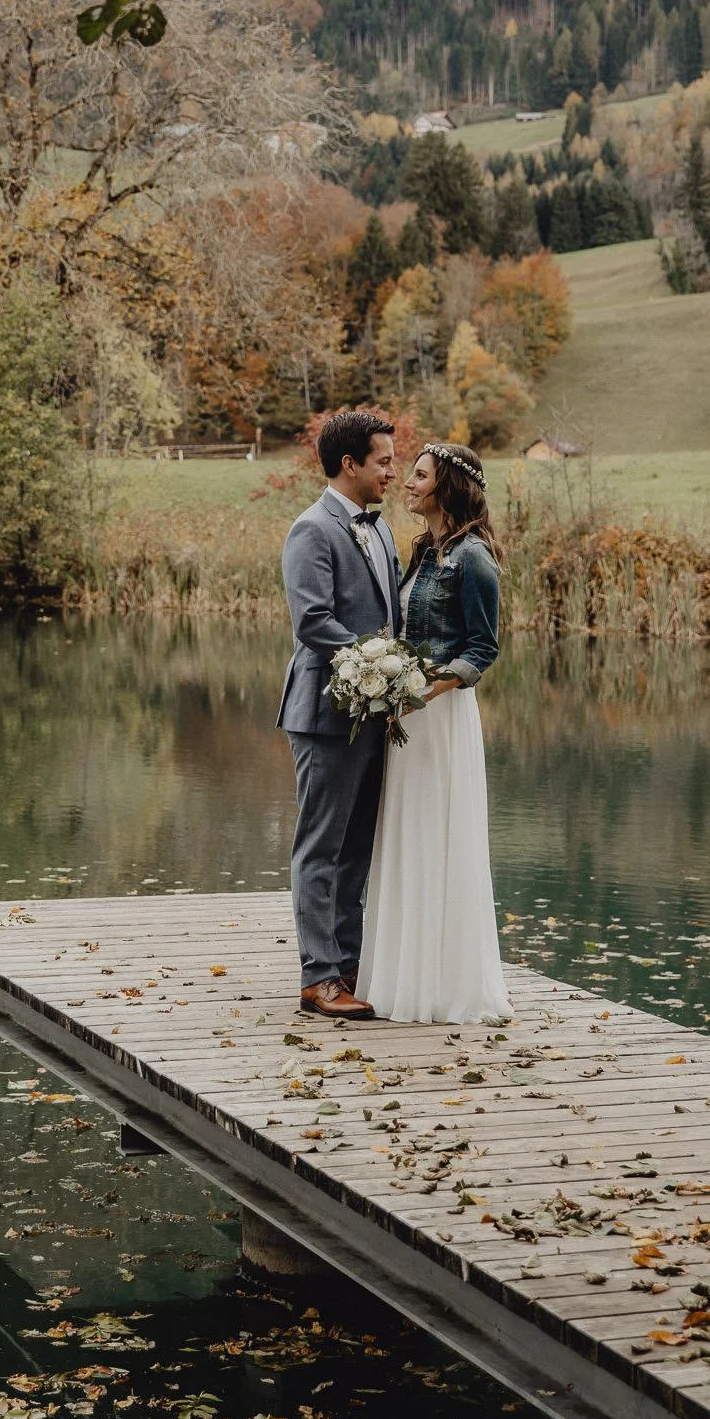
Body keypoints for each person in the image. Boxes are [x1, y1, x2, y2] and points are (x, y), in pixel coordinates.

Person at [356, 441, 512, 1025]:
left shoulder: (472, 557)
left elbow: (482, 649)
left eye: (419, 475)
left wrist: (422, 692)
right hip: (408, 719)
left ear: (447, 486)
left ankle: (445, 985)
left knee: (439, 840)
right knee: (407, 840)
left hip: (441, 721)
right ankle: (401, 978)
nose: (408, 482)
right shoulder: (425, 552)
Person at [277, 409, 401, 1019]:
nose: (392, 472)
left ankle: (348, 967)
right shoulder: (312, 530)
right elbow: (312, 621)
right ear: (349, 463)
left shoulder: (379, 530)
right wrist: (378, 661)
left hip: (374, 709)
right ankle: (317, 977)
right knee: (321, 846)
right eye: (383, 461)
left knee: (357, 849)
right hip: (325, 711)